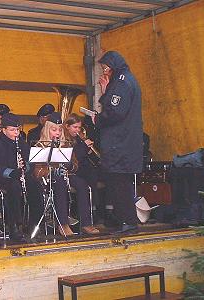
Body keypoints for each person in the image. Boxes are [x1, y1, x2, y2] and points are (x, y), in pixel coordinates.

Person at [93, 51, 143, 233]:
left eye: (106, 68)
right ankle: (123, 219)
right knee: (119, 182)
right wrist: (106, 91)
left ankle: (128, 221)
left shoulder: (122, 82)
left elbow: (115, 112)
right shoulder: (126, 79)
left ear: (113, 67)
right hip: (124, 142)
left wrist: (98, 120)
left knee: (120, 182)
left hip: (119, 143)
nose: (104, 72)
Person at [33, 112, 99, 236]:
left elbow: (75, 166)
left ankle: (86, 223)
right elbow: (37, 171)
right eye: (54, 130)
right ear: (48, 130)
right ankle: (62, 224)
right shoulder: (40, 145)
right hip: (48, 178)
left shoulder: (66, 144)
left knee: (82, 184)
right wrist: (49, 170)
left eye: (59, 130)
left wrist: (70, 165)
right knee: (60, 183)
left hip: (66, 175)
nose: (57, 133)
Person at [0, 113, 29, 242]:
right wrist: (11, 172)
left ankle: (32, 223)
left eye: (17, 130)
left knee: (34, 185)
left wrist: (25, 167)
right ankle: (14, 226)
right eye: (12, 130)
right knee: (13, 187)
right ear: (3, 130)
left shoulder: (22, 144)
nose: (16, 133)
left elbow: (29, 161)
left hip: (18, 177)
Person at [64, 113, 101, 220]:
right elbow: (75, 157)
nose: (77, 130)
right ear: (67, 126)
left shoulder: (79, 138)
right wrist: (85, 147)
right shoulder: (65, 139)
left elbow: (84, 156)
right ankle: (92, 209)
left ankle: (95, 208)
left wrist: (89, 150)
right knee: (89, 177)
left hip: (83, 167)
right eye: (75, 127)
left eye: (79, 127)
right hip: (73, 169)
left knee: (96, 172)